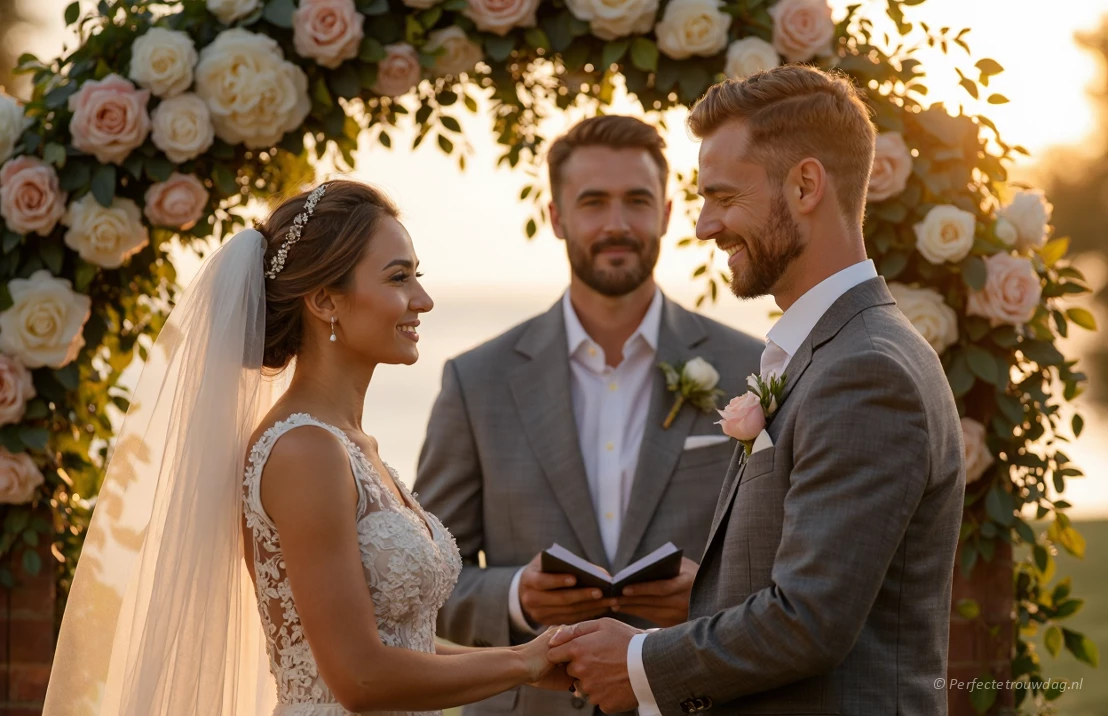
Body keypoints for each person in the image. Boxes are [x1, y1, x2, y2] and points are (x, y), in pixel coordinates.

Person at [44, 180, 570, 716]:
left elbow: (400, 642)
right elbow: (360, 678)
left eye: (418, 276)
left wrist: (527, 658)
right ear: (324, 301)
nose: (423, 300)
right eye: (398, 278)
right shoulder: (304, 452)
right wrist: (520, 665)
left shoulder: (352, 445)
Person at [548, 66, 966, 715]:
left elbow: (807, 619)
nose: (704, 226)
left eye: (721, 196)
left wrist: (635, 663)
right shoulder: (834, 351)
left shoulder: (866, 370)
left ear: (804, 185)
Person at [414, 116, 762, 715]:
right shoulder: (477, 380)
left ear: (669, 212)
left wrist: (710, 597)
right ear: (556, 216)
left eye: (637, 201)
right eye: (593, 202)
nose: (617, 224)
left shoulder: (749, 366)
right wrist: (517, 598)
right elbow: (424, 587)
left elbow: (791, 572)